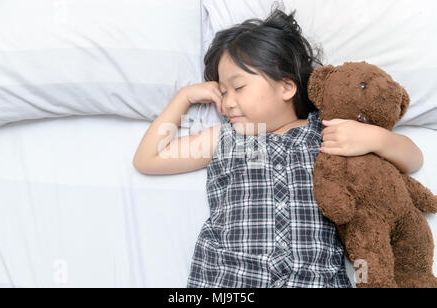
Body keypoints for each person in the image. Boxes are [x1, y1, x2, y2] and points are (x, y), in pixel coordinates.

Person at [133, 9, 423, 288]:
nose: (228, 102)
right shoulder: (225, 137)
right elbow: (149, 158)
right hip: (230, 278)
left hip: (315, 279)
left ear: (286, 87)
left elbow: (413, 159)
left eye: (239, 87)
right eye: (222, 91)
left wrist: (375, 139)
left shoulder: (327, 131)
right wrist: (184, 98)